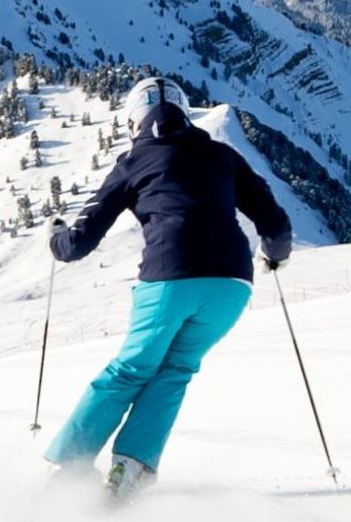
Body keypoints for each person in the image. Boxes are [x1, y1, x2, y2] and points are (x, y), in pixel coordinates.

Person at [42, 92, 296, 499]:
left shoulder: (133, 163)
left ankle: (71, 468)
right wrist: (274, 256)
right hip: (231, 285)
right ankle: (132, 469)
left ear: (133, 123)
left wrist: (55, 239)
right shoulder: (223, 156)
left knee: (129, 370)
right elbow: (275, 222)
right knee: (175, 369)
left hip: (168, 279)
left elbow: (79, 243)